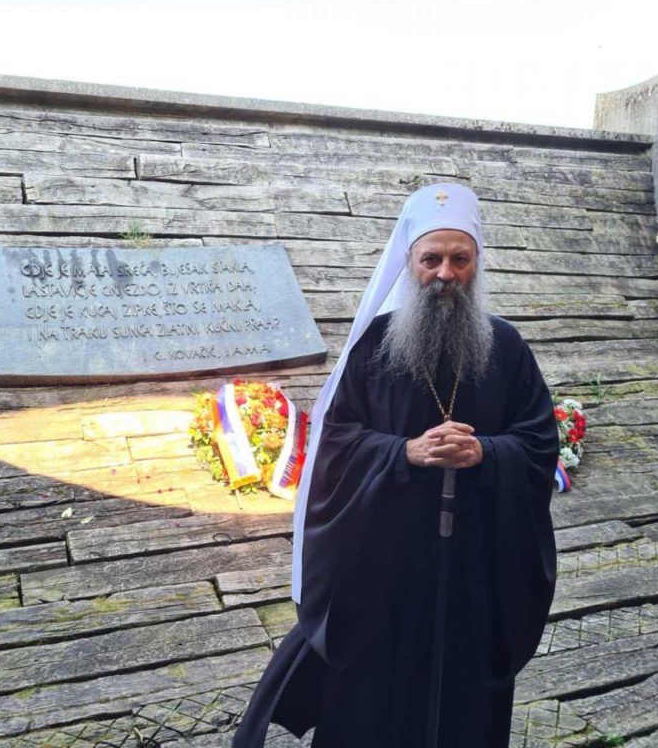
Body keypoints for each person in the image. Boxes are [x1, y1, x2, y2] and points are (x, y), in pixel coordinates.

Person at [233, 183, 559, 747]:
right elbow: (335, 442)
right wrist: (403, 452)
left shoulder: (506, 347)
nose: (445, 273)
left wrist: (487, 451)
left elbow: (536, 440)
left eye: (460, 259)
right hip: (386, 565)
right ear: (409, 263)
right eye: (431, 259)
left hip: (477, 568)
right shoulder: (375, 346)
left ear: (477, 264)